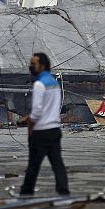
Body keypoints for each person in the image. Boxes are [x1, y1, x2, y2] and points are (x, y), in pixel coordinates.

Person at [18, 53, 70, 196]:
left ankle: (26, 192)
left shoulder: (40, 85)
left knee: (33, 165)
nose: (31, 67)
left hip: (41, 131)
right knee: (57, 163)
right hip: (54, 129)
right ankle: (63, 190)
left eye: (33, 64)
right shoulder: (54, 83)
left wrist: (27, 121)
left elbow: (37, 112)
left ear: (42, 66)